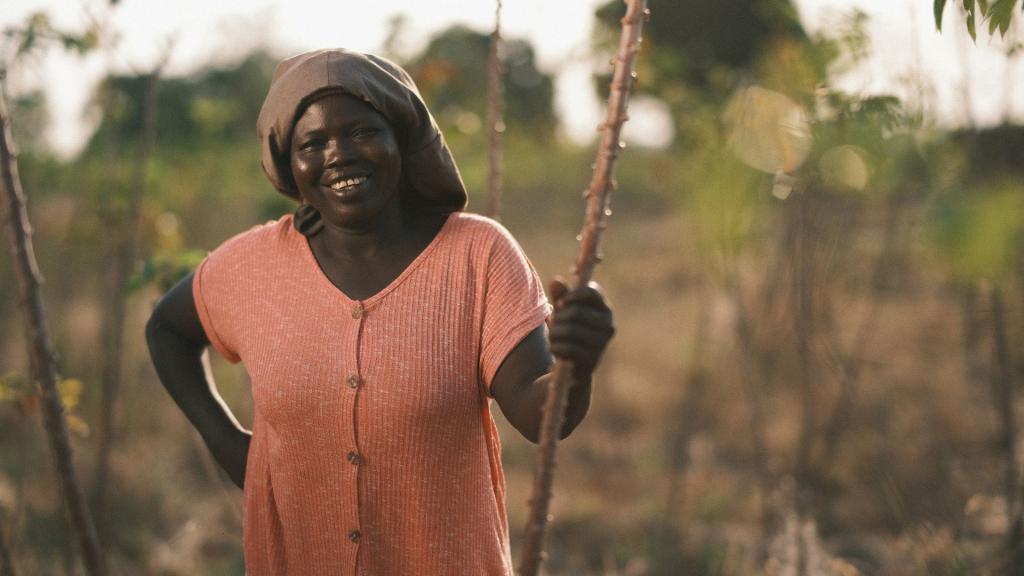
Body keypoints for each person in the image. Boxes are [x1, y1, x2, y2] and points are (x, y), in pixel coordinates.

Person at [145, 48, 614, 575]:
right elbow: (167, 329)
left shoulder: (477, 255)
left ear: (401, 139)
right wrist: (228, 443)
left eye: (362, 132)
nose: (339, 154)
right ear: (288, 163)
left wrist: (577, 363)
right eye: (313, 143)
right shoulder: (254, 265)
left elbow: (539, 416)